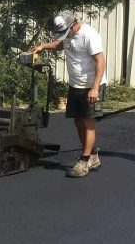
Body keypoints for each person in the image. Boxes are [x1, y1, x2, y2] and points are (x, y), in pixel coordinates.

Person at [31, 10, 107, 178]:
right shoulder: (68, 35)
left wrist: (95, 88)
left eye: (66, 32)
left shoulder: (89, 35)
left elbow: (100, 61)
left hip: (91, 85)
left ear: (73, 24)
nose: (65, 36)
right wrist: (43, 46)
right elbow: (60, 44)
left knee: (87, 123)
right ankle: (93, 155)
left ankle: (84, 161)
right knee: (78, 121)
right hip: (75, 85)